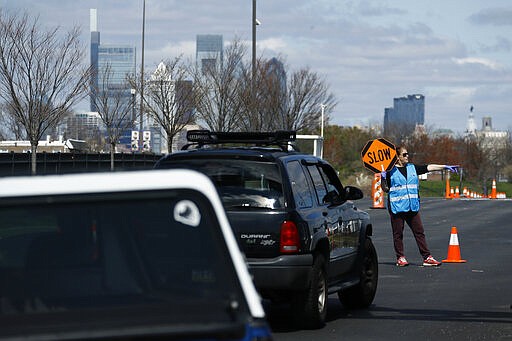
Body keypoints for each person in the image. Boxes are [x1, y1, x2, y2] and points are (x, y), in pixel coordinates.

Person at [380, 145, 458, 267]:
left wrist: (444, 167)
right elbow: (385, 189)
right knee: (398, 234)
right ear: (397, 157)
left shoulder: (412, 168)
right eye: (404, 155)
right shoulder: (390, 171)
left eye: (407, 154)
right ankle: (400, 257)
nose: (407, 156)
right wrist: (383, 178)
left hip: (412, 206)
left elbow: (429, 167)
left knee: (419, 232)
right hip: (397, 207)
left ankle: (427, 257)